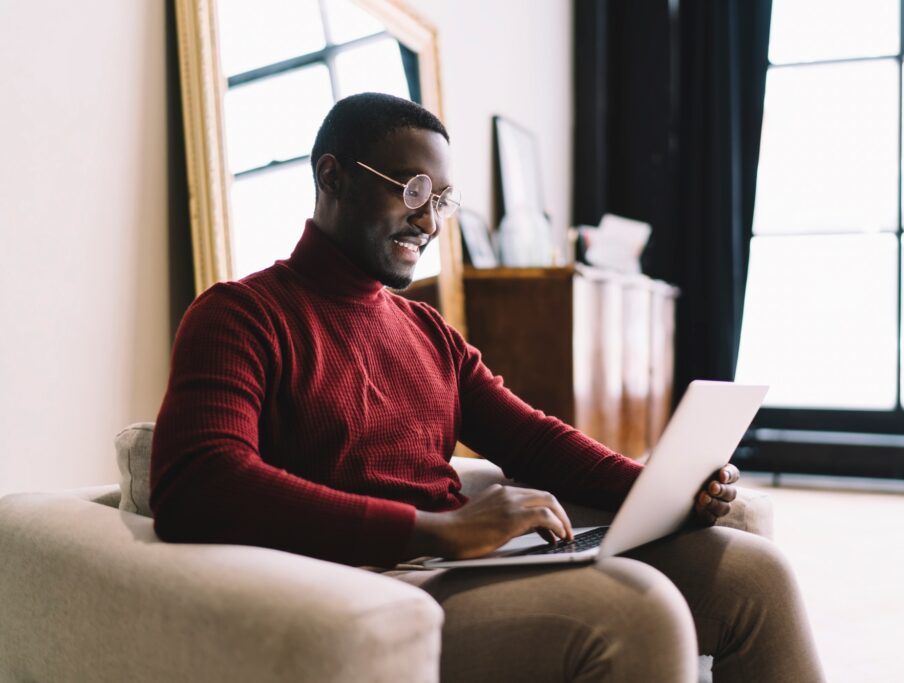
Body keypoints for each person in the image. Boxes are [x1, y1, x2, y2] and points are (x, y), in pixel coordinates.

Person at [151, 92, 824, 682]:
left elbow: (532, 437)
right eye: (413, 191)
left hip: (464, 568)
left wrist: (663, 491)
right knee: (638, 616)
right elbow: (198, 484)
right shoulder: (239, 315)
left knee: (754, 576)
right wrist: (441, 531)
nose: (430, 221)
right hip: (360, 591)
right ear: (333, 177)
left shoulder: (428, 332)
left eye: (441, 200)